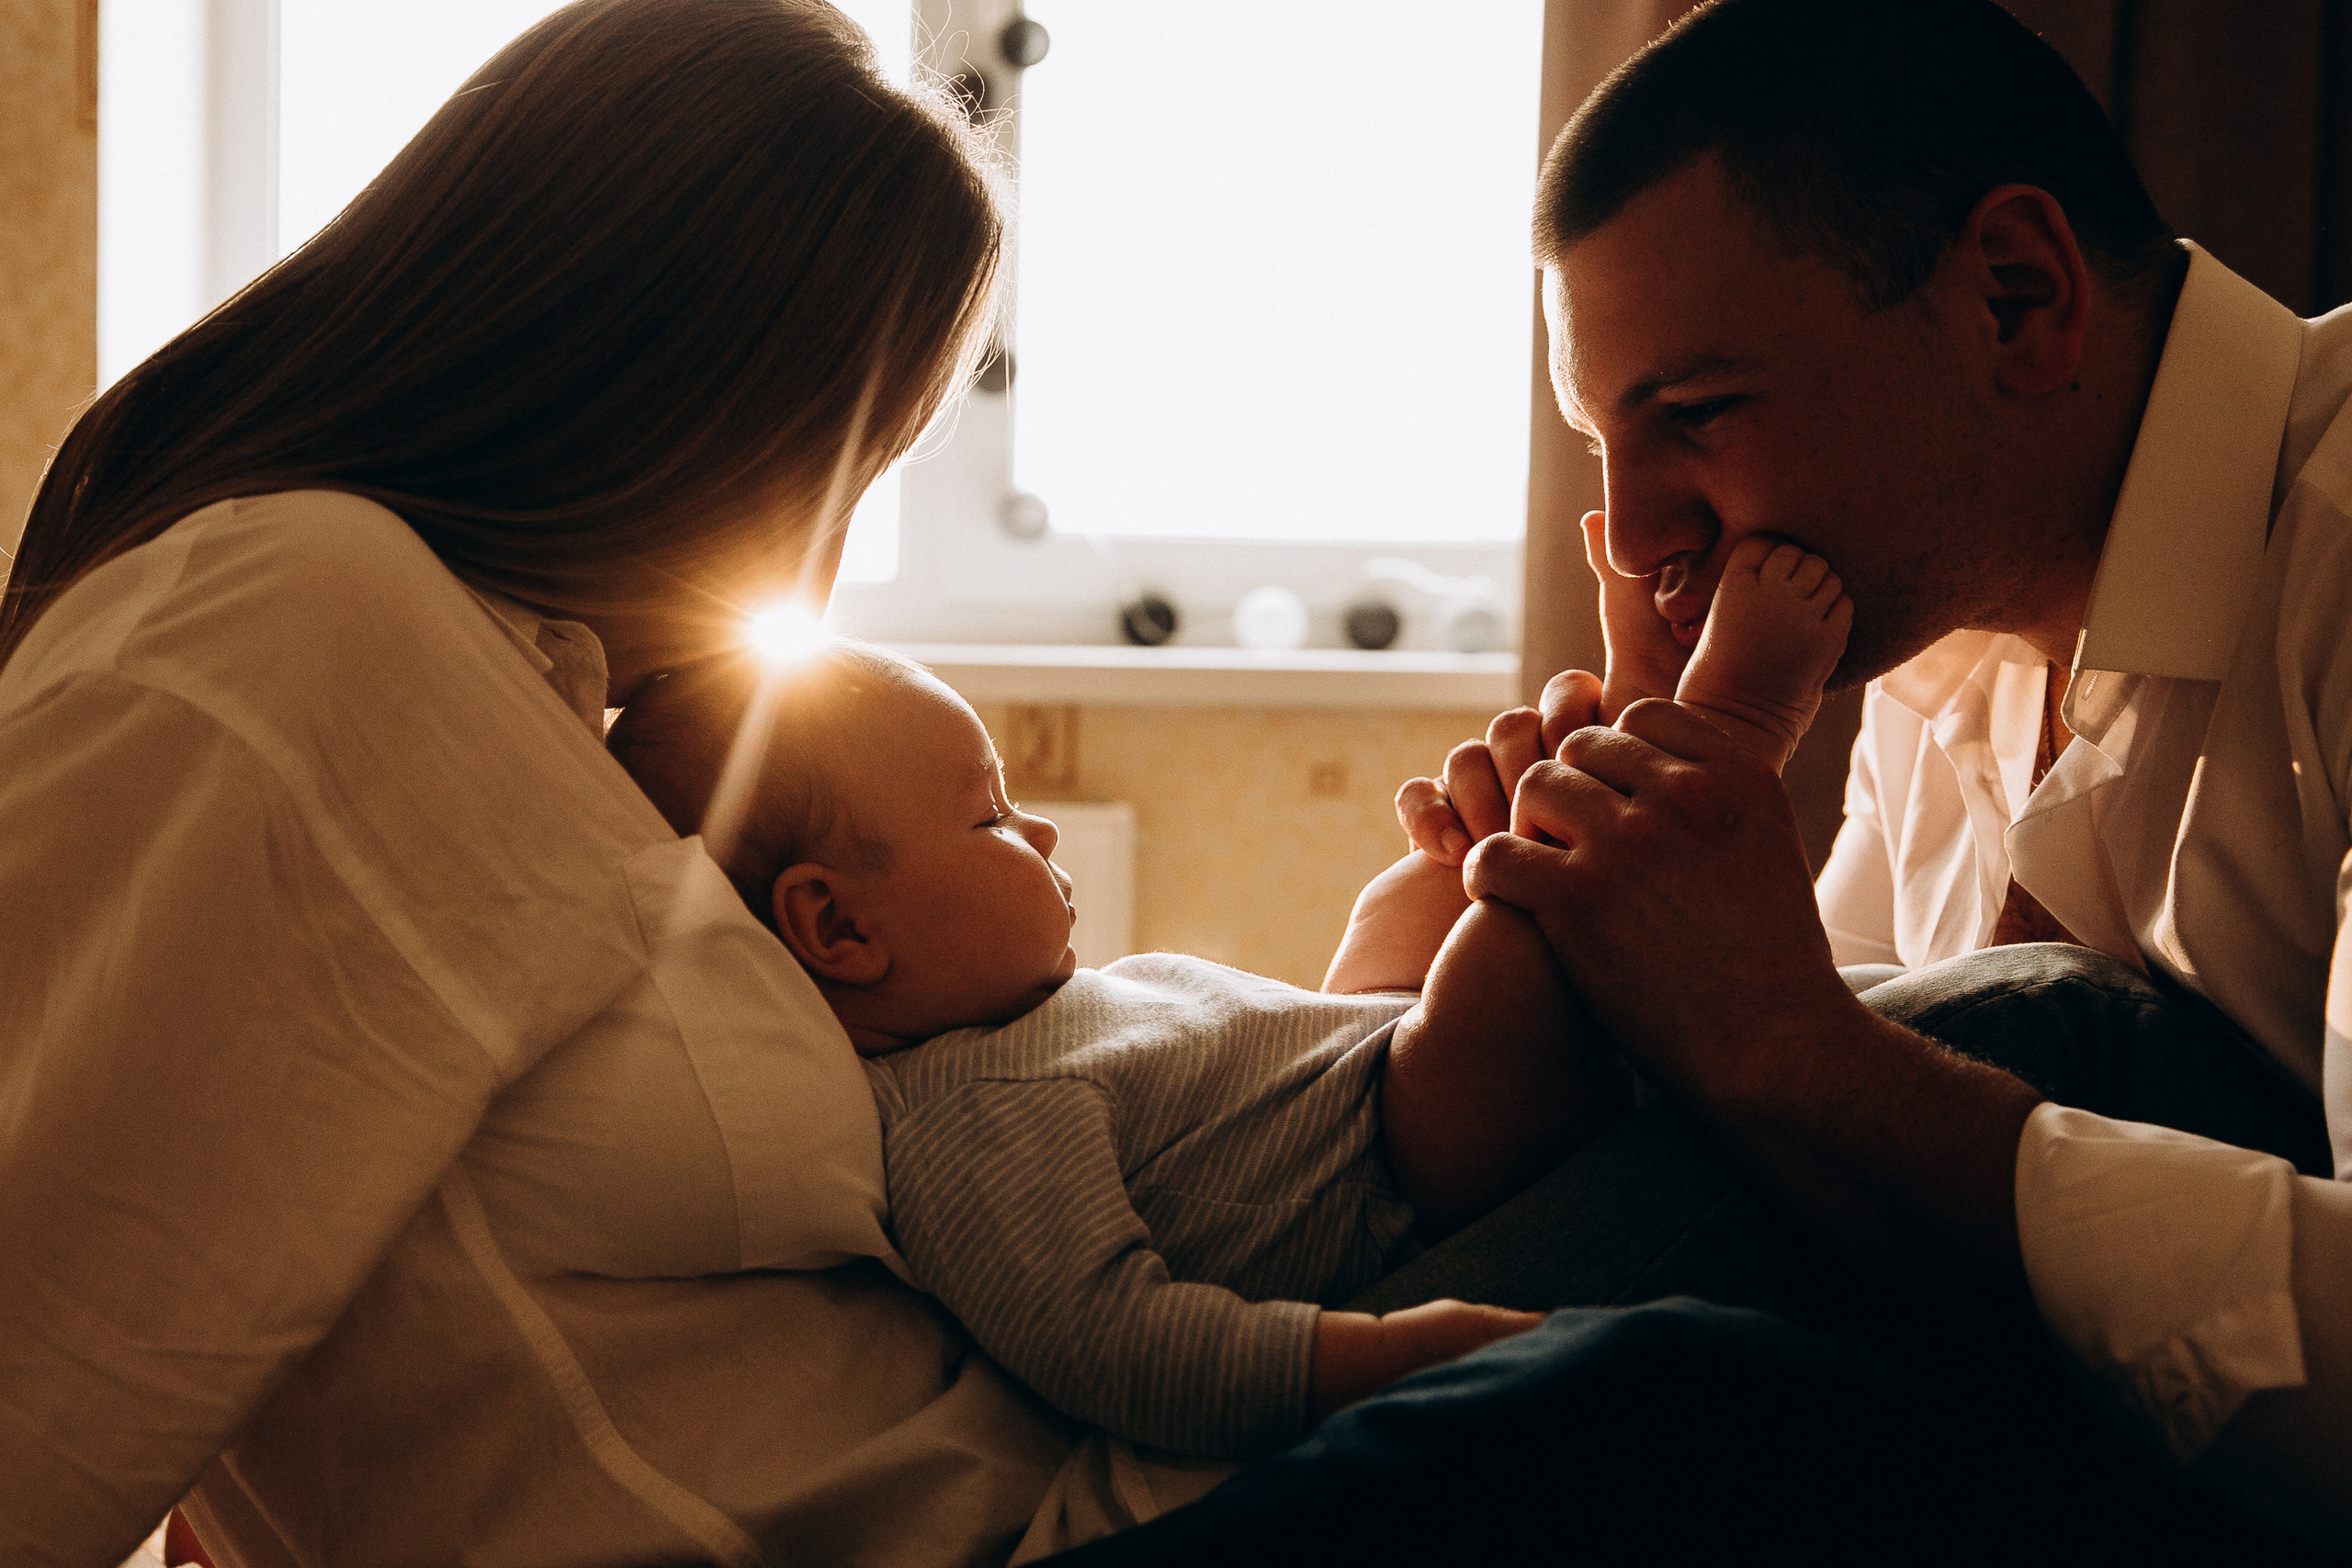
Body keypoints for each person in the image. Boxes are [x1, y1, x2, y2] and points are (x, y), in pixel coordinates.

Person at [0, 2, 1102, 1562]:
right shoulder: (308, 626)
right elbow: (58, 1360)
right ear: (667, 396)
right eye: (840, 470)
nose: (822, 566)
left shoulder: (507, 690)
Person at [1368, 0, 2351, 1548]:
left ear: (2018, 298)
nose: (1635, 537)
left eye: (1699, 415)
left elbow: (1815, 1073)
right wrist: (1565, 955)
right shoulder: (1921, 630)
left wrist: (1777, 1037)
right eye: (1603, 445)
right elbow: (1772, 1188)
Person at [600, 542, 1846, 1463]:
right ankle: (1730, 724)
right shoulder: (962, 1125)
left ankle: (1628, 737)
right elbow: (1119, 1347)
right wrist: (1389, 1354)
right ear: (840, 929)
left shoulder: (1012, 1039)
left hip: (1356, 1078)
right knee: (1508, 934)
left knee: (1422, 891)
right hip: (1401, 1176)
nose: (1038, 830)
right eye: (990, 819)